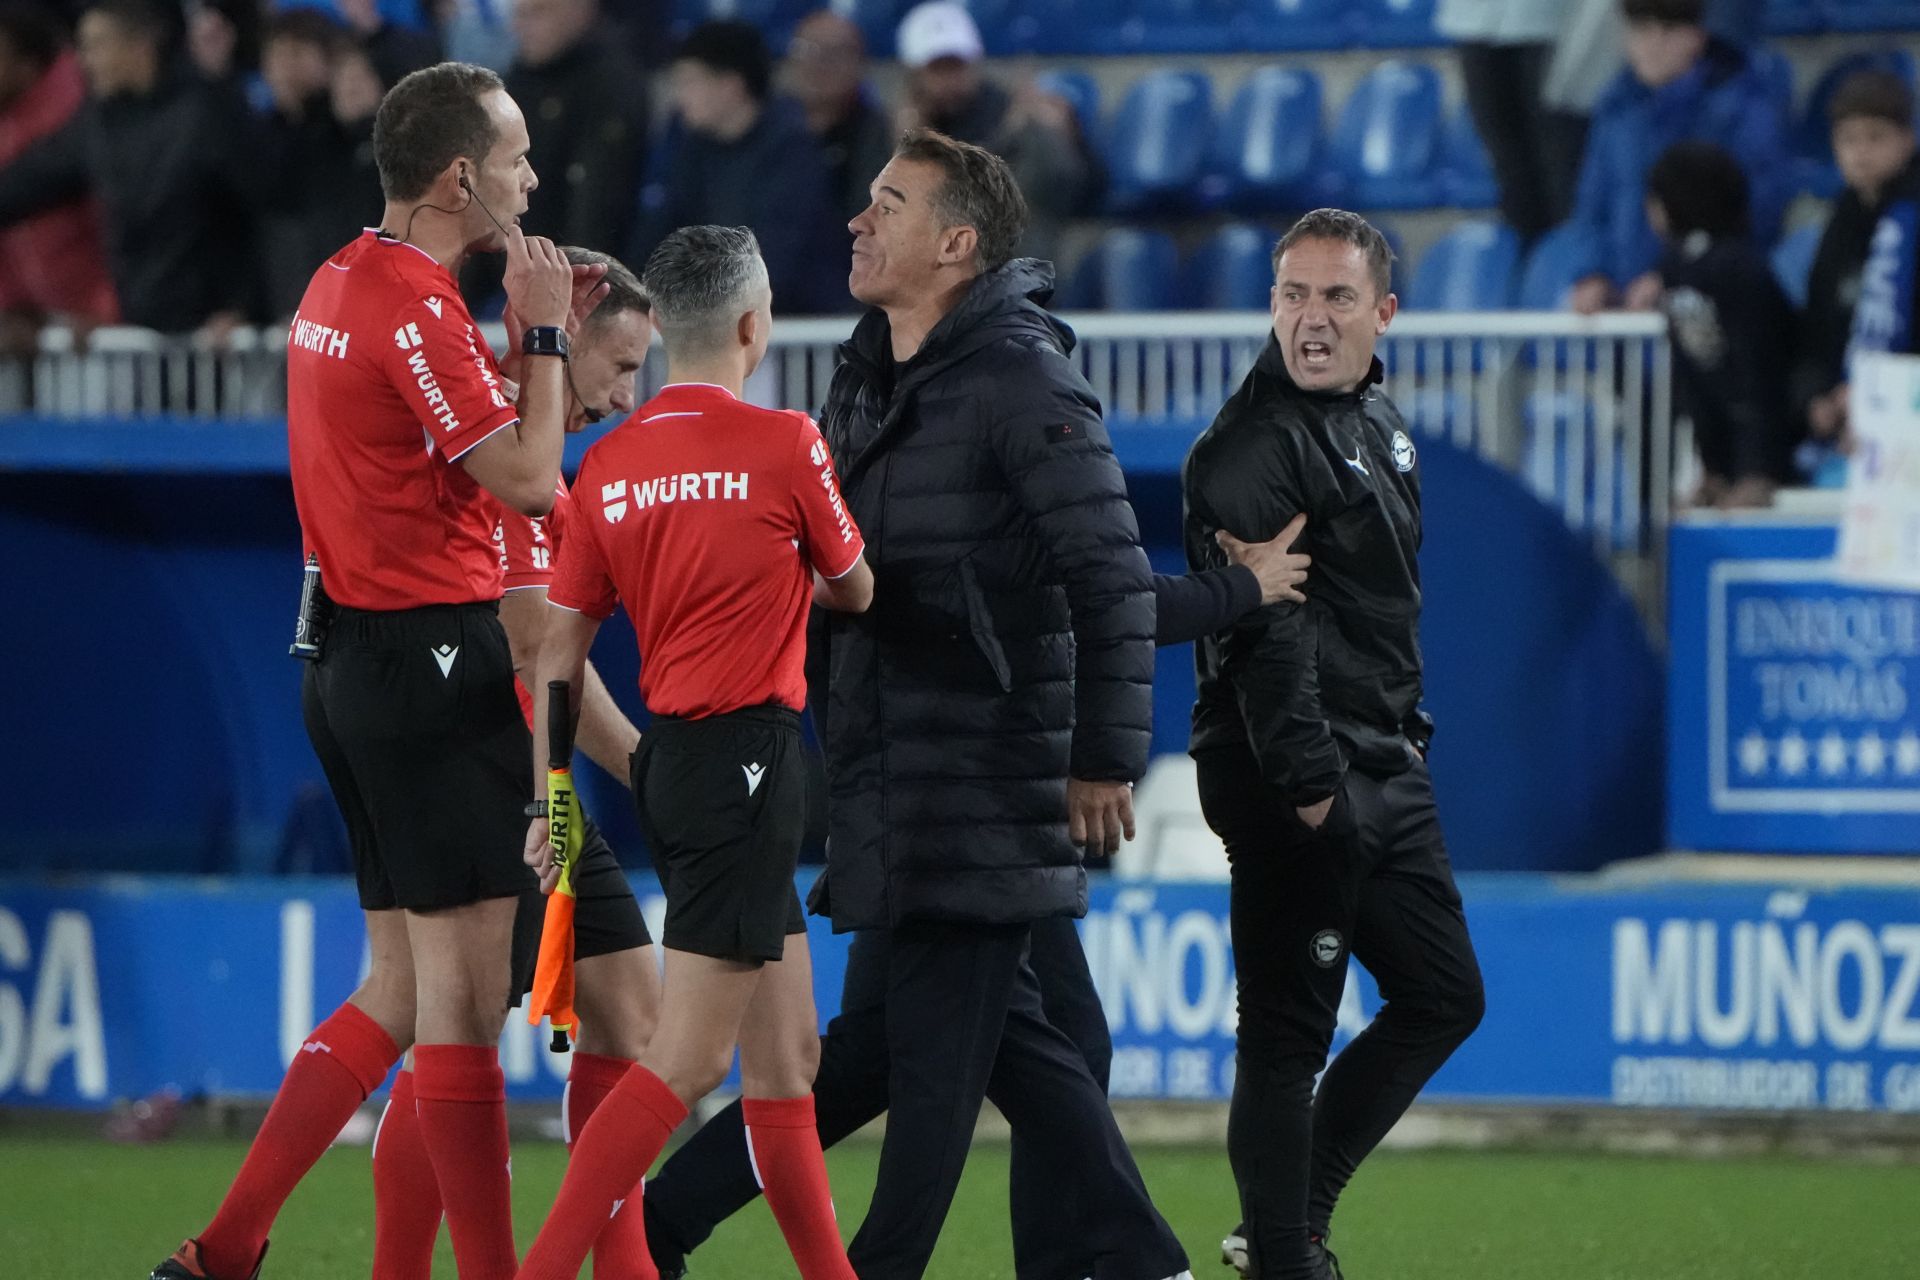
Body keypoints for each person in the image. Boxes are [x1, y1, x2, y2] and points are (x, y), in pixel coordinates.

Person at [647, 129, 1190, 1280]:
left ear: (955, 242)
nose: (858, 220)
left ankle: (692, 1228)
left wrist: (1103, 757)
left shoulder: (1022, 376)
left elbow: (1104, 572)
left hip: (982, 779)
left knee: (942, 1068)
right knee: (971, 1049)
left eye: (887, 203)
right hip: (895, 770)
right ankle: (660, 1218)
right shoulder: (868, 374)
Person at [149, 60, 584, 1280]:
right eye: (516, 160)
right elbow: (531, 479)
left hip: (344, 657)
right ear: (461, 178)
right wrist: (544, 334)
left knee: (397, 986)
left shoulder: (335, 282)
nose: (532, 179)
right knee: (462, 999)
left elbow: (426, 451)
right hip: (432, 658)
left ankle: (228, 1246)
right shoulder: (412, 303)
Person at [512, 223, 873, 1280]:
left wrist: (552, 800)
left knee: (786, 1060)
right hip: (752, 763)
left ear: (663, 324)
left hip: (672, 768)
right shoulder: (788, 440)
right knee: (690, 1056)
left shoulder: (609, 464)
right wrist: (787, 576)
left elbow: (557, 655)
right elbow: (855, 587)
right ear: (756, 325)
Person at [1183, 209, 1485, 1280]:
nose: (1312, 320)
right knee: (1284, 1039)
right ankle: (1281, 1256)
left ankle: (1288, 1217)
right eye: (1294, 296)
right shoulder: (1248, 449)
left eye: (1337, 297)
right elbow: (1269, 637)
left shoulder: (1378, 420)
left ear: (1383, 311)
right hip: (1293, 774)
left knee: (1447, 994)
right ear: (1272, 306)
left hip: (1387, 758)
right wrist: (1313, 790)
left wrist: (1394, 747)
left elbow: (1374, 608)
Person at [365, 247, 664, 1280]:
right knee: (463, 1025)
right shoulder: (511, 454)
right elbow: (538, 655)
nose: (625, 397)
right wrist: (656, 773)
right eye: (620, 366)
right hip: (499, 780)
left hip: (533, 781)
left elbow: (554, 665)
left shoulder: (535, 455)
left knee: (628, 1010)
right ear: (568, 323)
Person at [0, 0, 258, 336]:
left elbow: (257, 212)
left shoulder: (205, 113)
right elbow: (30, 181)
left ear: (140, 46)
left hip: (213, 337)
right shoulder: (97, 124)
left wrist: (241, 307)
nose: (85, 61)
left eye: (97, 45)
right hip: (138, 334)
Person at [1566, 0, 1788, 315]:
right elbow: (1592, 204)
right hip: (1623, 309)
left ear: (1697, 36)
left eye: (1668, 30)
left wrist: (1675, 276)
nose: (1653, 44)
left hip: (1709, 308)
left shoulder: (1742, 108)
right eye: (1642, 30)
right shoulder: (1615, 110)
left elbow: (1756, 209)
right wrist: (1591, 273)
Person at [630, 21, 844, 314]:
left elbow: (779, 255)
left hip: (792, 325)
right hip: (715, 318)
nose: (680, 97)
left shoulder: (791, 150)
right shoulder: (685, 144)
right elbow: (660, 231)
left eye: (690, 82)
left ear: (730, 86)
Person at [1646, 141, 1800, 508]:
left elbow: (1760, 377)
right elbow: (1696, 383)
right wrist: (1714, 469)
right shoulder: (1674, 269)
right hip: (1729, 444)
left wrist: (1756, 471)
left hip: (1781, 442)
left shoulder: (1739, 270)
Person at [893, 1, 1094, 264]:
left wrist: (1061, 135)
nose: (949, 80)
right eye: (937, 69)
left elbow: (1072, 188)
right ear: (914, 75)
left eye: (957, 66)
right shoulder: (898, 127)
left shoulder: (1012, 113)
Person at [1794, 71, 1917, 473]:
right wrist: (1819, 397)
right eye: (1848, 140)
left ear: (1908, 139)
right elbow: (1816, 329)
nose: (1860, 152)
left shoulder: (1910, 218)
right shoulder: (1840, 223)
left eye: (1875, 137)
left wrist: (1875, 398)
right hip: (1854, 417)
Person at [0, 3, 117, 348]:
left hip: (105, 332)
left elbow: (116, 219)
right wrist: (11, 307)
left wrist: (104, 308)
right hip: (34, 329)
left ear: (28, 62)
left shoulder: (77, 118)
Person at [1435, 0, 1587, 242]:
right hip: (1475, 20)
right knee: (1507, 164)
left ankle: (1567, 267)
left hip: (1555, 24)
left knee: (1561, 166)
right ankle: (1528, 264)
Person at [505, 0, 647, 258]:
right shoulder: (518, 79)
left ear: (579, 9)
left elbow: (597, 202)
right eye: (518, 15)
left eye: (536, 13)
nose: (517, 27)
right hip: (514, 266)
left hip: (576, 271)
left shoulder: (612, 86)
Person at [782, 9, 892, 225]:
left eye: (837, 52)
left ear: (862, 62)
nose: (821, 63)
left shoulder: (882, 135)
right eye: (807, 50)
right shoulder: (770, 128)